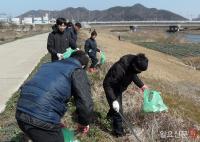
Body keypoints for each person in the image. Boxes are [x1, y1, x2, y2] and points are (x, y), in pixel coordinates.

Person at [15, 51, 94, 142]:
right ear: (83, 66)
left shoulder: (48, 65)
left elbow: (41, 91)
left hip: (20, 113)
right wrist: (83, 123)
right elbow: (85, 102)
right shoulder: (77, 70)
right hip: (41, 121)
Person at [103, 53, 149, 137]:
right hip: (112, 88)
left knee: (115, 107)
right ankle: (118, 133)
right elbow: (107, 84)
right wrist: (113, 100)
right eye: (139, 70)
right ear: (134, 66)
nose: (139, 72)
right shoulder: (119, 69)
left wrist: (141, 85)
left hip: (119, 87)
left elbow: (133, 75)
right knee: (118, 111)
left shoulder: (132, 64)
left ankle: (108, 118)